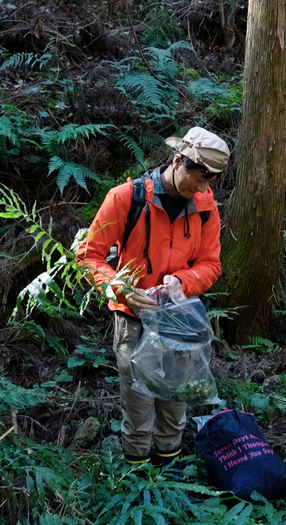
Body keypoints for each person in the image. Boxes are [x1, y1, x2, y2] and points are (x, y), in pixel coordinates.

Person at [76, 126, 229, 469]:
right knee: (139, 405)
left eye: (210, 182)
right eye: (197, 180)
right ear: (177, 162)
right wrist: (121, 288)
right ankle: (138, 483)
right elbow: (89, 256)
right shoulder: (126, 198)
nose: (202, 189)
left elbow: (210, 264)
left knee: (176, 405)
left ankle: (169, 477)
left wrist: (182, 282)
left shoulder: (205, 207)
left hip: (180, 321)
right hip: (133, 320)